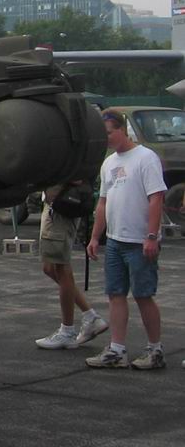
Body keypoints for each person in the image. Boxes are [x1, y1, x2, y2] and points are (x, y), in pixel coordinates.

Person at [85, 109, 167, 370]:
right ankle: (117, 350)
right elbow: (103, 202)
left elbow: (156, 198)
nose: (107, 138)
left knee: (143, 295)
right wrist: (95, 237)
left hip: (139, 241)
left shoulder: (145, 158)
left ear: (122, 129)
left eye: (110, 133)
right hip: (115, 240)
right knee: (115, 294)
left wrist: (151, 236)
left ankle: (155, 350)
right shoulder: (108, 163)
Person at [34, 180, 107, 350]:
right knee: (49, 267)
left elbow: (75, 174)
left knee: (60, 266)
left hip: (62, 202)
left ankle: (67, 331)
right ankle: (90, 317)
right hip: (55, 202)